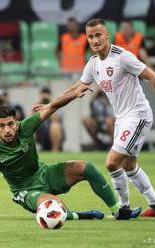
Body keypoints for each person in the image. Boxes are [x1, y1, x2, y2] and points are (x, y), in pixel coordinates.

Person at [0, 88, 136, 221]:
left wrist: (75, 93)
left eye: (10, 124)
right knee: (53, 206)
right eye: (1, 126)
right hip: (26, 191)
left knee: (86, 167)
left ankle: (118, 211)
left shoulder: (26, 127)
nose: (7, 130)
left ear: (16, 122)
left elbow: (53, 107)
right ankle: (78, 216)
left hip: (45, 174)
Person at [64, 18, 155, 217]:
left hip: (138, 115)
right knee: (129, 164)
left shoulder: (123, 57)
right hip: (122, 118)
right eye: (90, 36)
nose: (95, 40)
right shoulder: (93, 63)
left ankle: (123, 208)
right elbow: (77, 87)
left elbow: (151, 75)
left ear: (107, 35)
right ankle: (154, 204)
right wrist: (50, 105)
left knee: (112, 162)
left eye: (98, 35)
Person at [36, 87, 64, 152]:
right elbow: (31, 119)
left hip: (54, 132)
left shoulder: (56, 105)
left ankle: (55, 151)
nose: (45, 95)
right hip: (40, 132)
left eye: (47, 93)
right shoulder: (37, 105)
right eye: (43, 93)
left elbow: (56, 119)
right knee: (29, 127)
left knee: (55, 125)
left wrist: (50, 105)